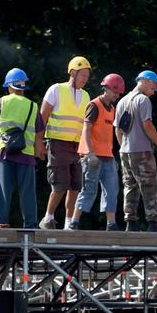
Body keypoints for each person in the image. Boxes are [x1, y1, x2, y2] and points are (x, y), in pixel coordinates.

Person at [38, 56, 91, 230]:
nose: (85, 79)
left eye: (87, 76)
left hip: (76, 147)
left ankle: (69, 223)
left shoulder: (86, 96)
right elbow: (42, 117)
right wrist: (38, 143)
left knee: (75, 185)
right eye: (83, 75)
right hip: (57, 143)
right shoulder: (56, 89)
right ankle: (48, 218)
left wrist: (85, 148)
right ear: (73, 73)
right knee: (60, 184)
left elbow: (85, 125)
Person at [0, 68, 45, 228]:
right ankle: (31, 224)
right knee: (27, 192)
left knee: (2, 191)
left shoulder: (1, 102)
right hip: (26, 155)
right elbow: (40, 131)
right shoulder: (33, 106)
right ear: (23, 86)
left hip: (5, 153)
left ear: (9, 86)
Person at [68, 74, 125, 231]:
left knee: (112, 189)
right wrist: (90, 153)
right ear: (105, 89)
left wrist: (114, 156)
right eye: (115, 92)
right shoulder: (94, 105)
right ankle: (74, 221)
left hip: (108, 156)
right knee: (88, 189)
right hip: (92, 156)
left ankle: (111, 224)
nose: (116, 96)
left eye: (119, 93)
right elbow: (86, 129)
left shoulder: (112, 109)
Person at [113, 70, 157, 232]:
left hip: (125, 151)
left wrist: (123, 146)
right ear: (144, 81)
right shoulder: (143, 100)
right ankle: (154, 223)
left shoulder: (122, 101)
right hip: (142, 151)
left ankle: (131, 223)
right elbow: (148, 125)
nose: (153, 92)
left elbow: (118, 130)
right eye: (153, 87)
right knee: (150, 185)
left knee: (130, 186)